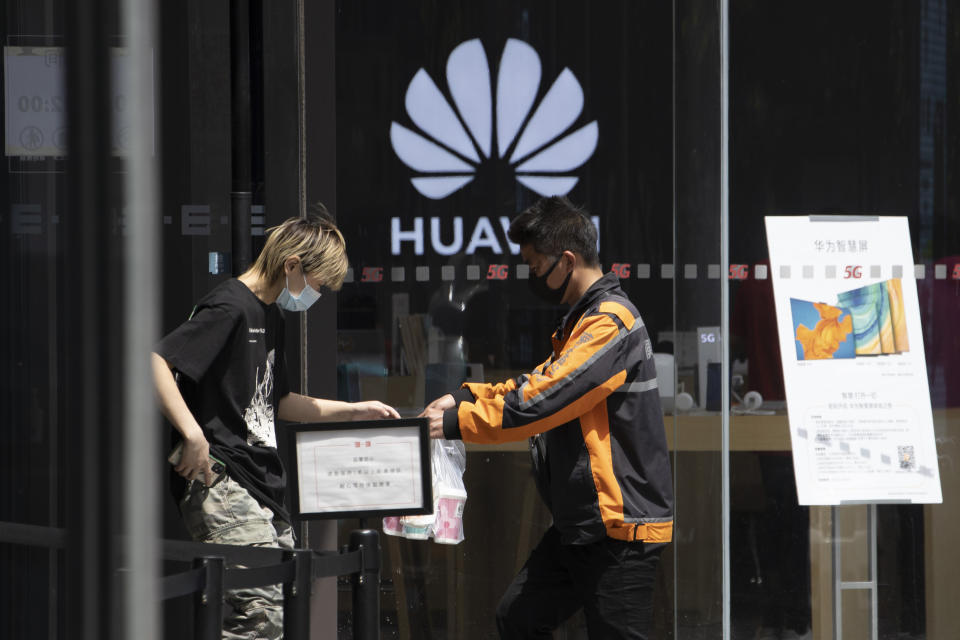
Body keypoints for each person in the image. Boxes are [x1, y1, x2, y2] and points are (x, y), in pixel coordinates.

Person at [421, 196, 674, 640]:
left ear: (568, 259)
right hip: (583, 524)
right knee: (517, 619)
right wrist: (464, 397)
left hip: (619, 528)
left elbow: (541, 400)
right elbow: (536, 382)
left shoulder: (611, 323)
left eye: (536, 267)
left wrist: (461, 421)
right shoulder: (582, 323)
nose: (532, 277)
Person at [152, 209, 399, 640]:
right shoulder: (230, 305)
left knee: (276, 610)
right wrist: (192, 435)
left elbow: (279, 402)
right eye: (318, 285)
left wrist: (354, 410)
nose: (317, 297)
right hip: (222, 478)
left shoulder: (271, 315)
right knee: (263, 613)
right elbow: (157, 361)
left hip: (260, 484)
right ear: (292, 266)